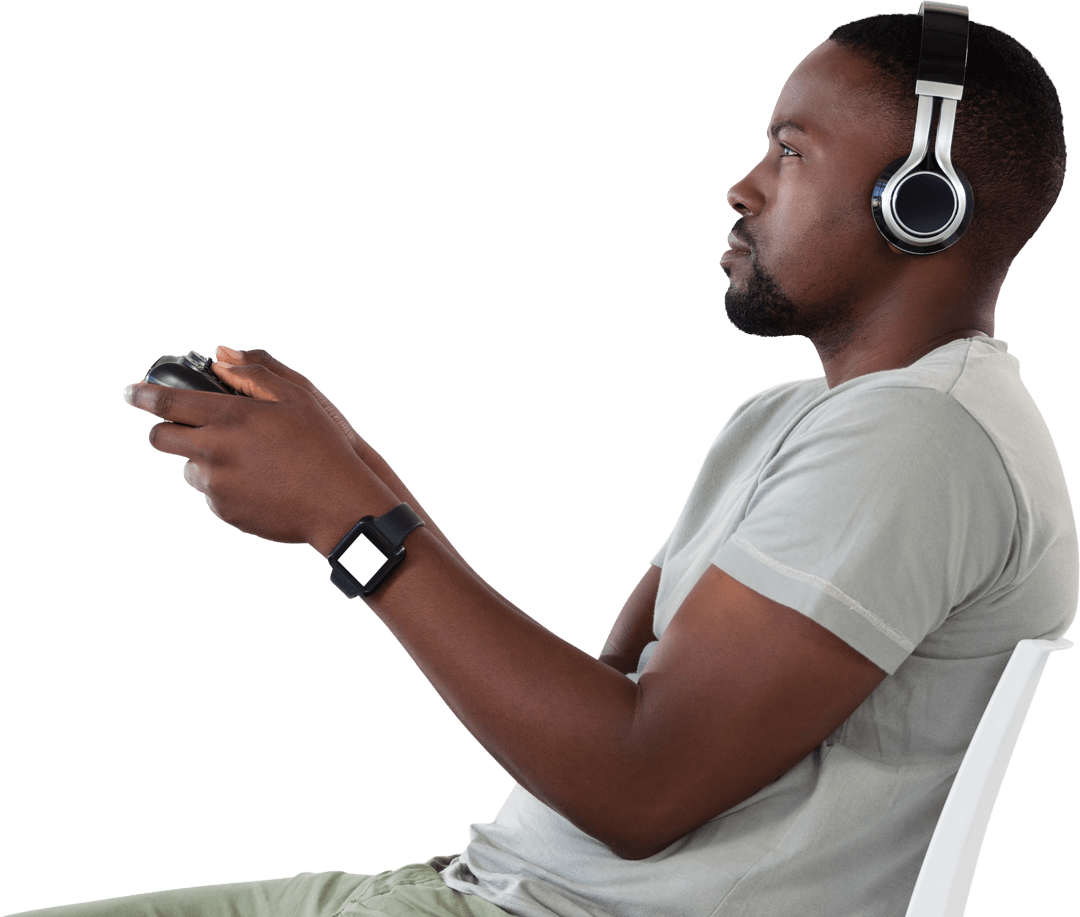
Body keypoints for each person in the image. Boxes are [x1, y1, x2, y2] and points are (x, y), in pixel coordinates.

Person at [17, 7, 1076, 917]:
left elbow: (637, 787)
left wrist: (346, 519)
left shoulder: (922, 438)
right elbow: (604, 701)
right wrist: (349, 466)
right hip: (475, 886)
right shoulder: (794, 418)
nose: (743, 186)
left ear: (922, 203)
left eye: (792, 152)